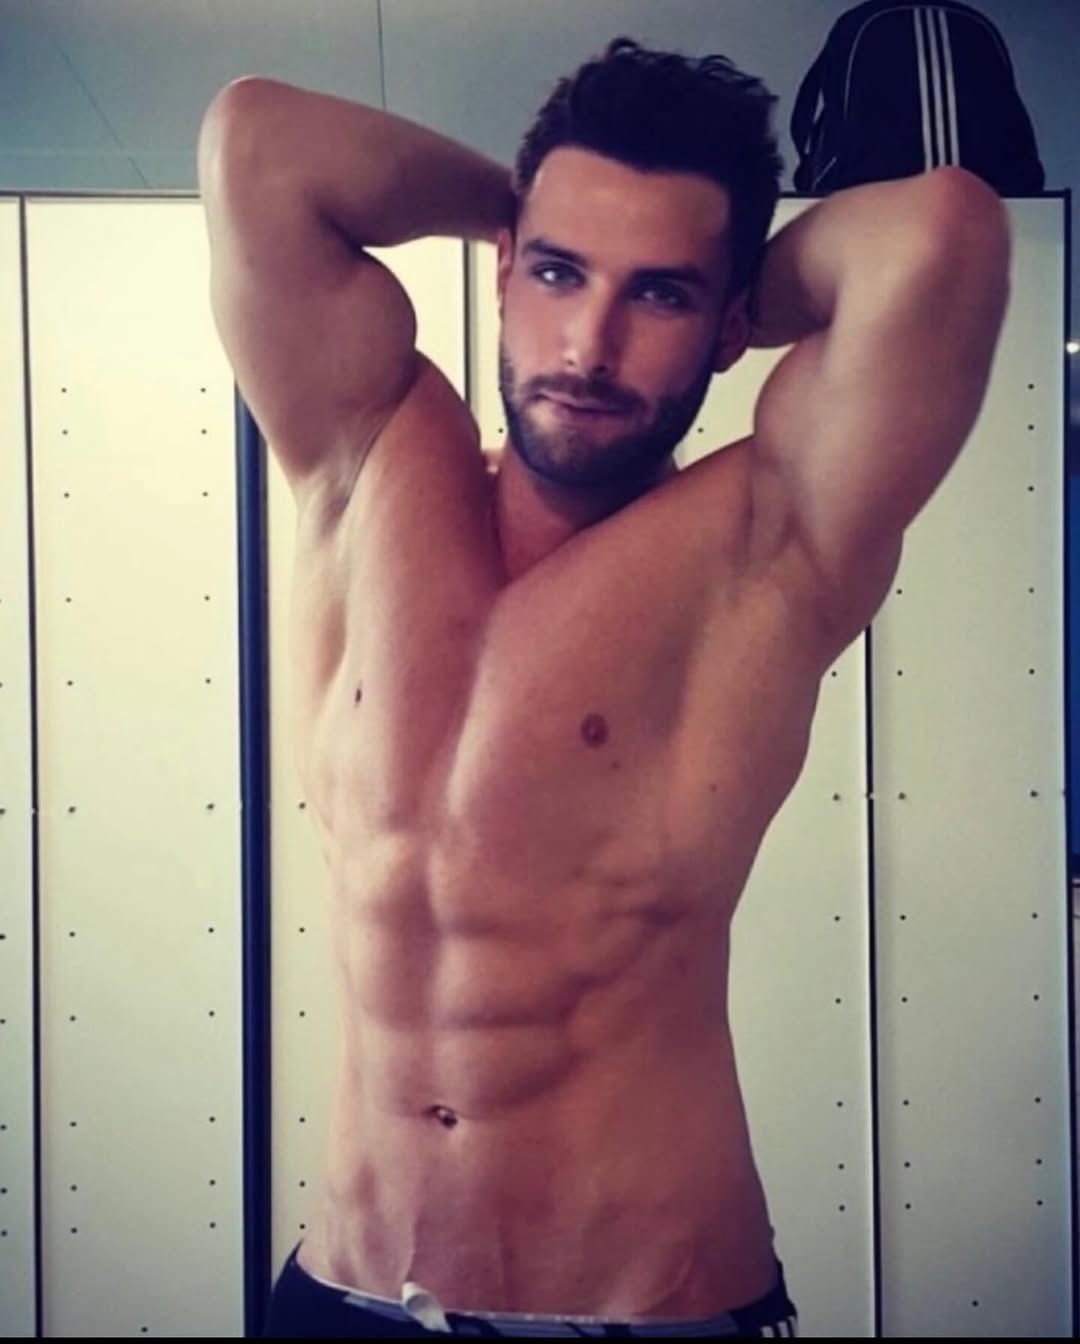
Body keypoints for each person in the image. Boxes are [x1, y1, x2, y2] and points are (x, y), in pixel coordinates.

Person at [197, 37, 1010, 1339]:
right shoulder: (365, 463)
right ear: (504, 269)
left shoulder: (764, 548)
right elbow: (258, 145)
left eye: (663, 296)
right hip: (346, 1290)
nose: (588, 344)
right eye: (559, 272)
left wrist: (701, 270)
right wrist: (522, 206)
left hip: (650, 1306)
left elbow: (945, 234)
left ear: (732, 327)